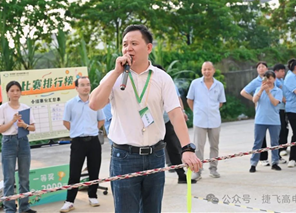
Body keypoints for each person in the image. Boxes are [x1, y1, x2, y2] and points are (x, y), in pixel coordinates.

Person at [89, 24, 202, 213]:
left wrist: (187, 148)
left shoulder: (162, 78)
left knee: (152, 209)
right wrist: (116, 72)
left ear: (148, 48)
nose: (128, 48)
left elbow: (175, 114)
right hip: (124, 157)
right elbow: (94, 104)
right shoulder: (114, 77)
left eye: (134, 43)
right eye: (125, 44)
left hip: (155, 155)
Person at [60, 76, 105, 213]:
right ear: (76, 88)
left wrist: (92, 130)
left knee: (94, 169)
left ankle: (93, 196)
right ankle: (69, 201)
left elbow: (101, 120)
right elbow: (66, 122)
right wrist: (77, 131)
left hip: (93, 141)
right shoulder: (70, 104)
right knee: (74, 172)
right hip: (78, 142)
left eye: (88, 84)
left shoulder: (95, 102)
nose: (86, 87)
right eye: (82, 85)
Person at [0, 81, 36, 213]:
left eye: (17, 90)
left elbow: (33, 127)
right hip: (8, 142)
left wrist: (25, 125)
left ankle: (24, 207)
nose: (15, 93)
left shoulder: (24, 107)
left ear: (21, 92)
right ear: (7, 93)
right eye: (12, 90)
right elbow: (0, 129)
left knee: (24, 176)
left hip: (23, 141)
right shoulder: (3, 108)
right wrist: (12, 121)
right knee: (9, 177)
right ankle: (10, 208)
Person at [154, 64, 196, 184]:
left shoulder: (168, 82)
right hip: (152, 125)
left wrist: (181, 112)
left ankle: (181, 175)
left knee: (175, 148)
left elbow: (177, 99)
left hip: (167, 121)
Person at [187, 61, 226, 179]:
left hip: (214, 120)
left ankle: (213, 169)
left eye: (209, 69)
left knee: (214, 146)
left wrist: (211, 110)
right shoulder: (195, 84)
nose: (207, 72)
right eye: (204, 69)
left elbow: (221, 102)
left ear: (213, 70)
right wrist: (197, 111)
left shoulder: (219, 85)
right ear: (201, 70)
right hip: (200, 120)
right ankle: (197, 171)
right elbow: (189, 100)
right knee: (198, 147)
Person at [249, 71, 283, 173]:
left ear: (274, 79)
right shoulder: (258, 89)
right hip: (260, 120)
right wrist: (261, 90)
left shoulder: (278, 91)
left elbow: (275, 103)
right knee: (257, 142)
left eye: (270, 78)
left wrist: (268, 92)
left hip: (274, 121)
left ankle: (275, 162)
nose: (268, 80)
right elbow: (254, 100)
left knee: (275, 142)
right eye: (266, 78)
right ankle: (253, 163)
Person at [240, 61, 270, 166]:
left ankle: (277, 156)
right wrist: (254, 99)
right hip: (261, 112)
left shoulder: (272, 79)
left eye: (263, 67)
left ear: (267, 68)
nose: (261, 68)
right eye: (259, 67)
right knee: (261, 136)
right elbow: (243, 92)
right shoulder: (256, 82)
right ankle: (263, 158)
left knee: (276, 134)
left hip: (273, 110)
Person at [273, 64, 288, 163]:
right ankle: (278, 152)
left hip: (284, 109)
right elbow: (280, 95)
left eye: (284, 71)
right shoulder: (276, 81)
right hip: (279, 109)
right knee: (280, 129)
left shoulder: (282, 80)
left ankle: (283, 147)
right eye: (281, 71)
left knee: (285, 128)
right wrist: (287, 101)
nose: (283, 73)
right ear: (276, 72)